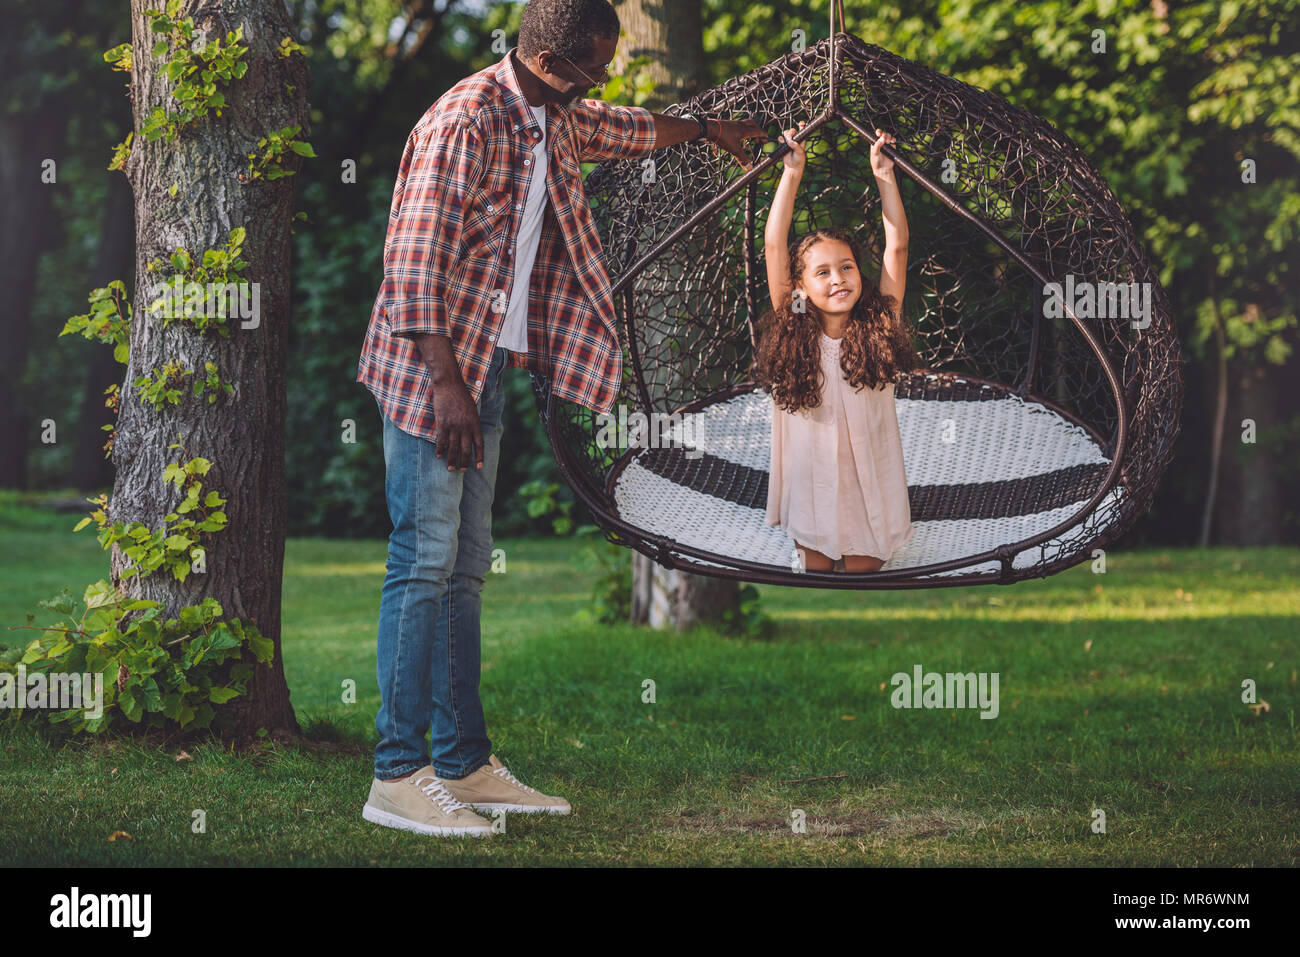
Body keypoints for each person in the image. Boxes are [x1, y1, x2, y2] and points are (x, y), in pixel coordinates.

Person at [354, 0, 766, 837]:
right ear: (549, 62)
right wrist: (449, 390)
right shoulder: (465, 121)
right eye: (592, 68)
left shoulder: (555, 116)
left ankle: (463, 761)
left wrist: (709, 130)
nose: (601, 82)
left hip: (487, 376)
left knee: (466, 569)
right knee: (424, 561)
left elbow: (631, 129)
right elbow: (409, 265)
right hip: (433, 377)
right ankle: (397, 774)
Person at [754, 127, 921, 575]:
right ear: (801, 287)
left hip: (869, 488)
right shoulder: (793, 326)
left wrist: (885, 175)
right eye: (822, 272)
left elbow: (898, 248)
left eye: (846, 267)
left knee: (862, 573)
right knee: (818, 568)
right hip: (812, 488)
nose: (837, 279)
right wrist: (791, 174)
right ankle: (808, 542)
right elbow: (774, 244)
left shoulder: (877, 325)